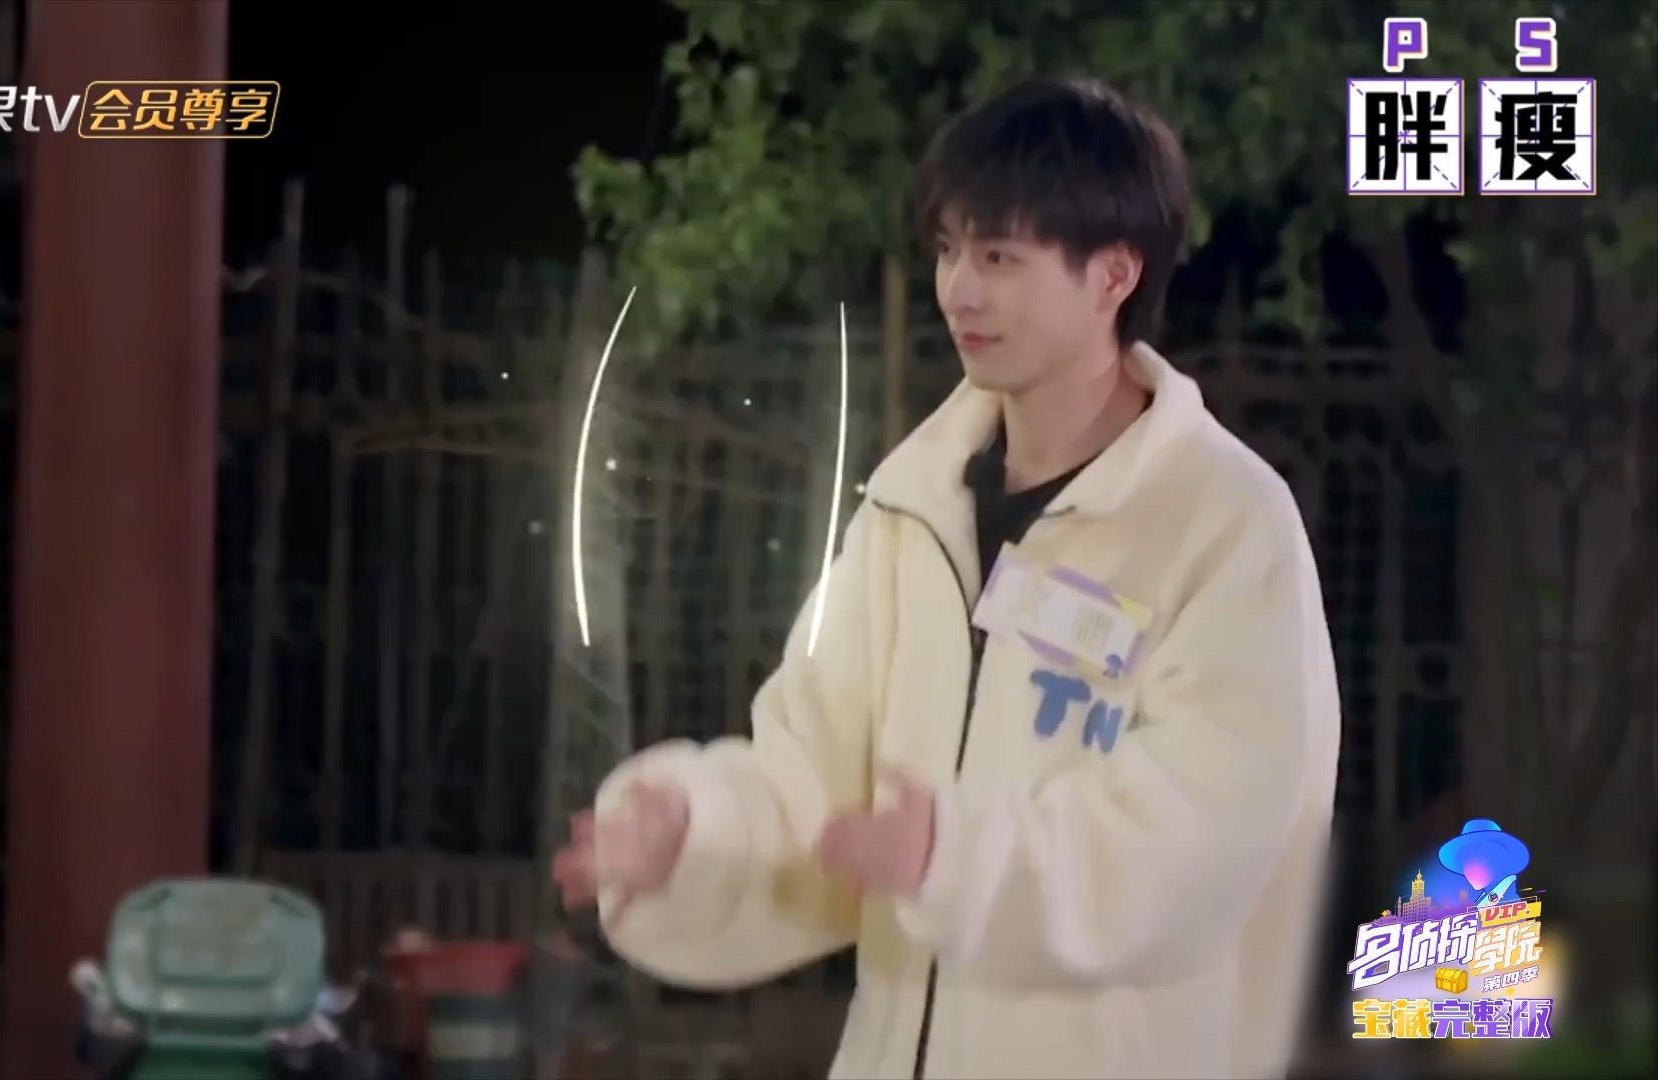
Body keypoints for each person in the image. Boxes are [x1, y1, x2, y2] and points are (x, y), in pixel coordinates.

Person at [551, 75, 1342, 1079]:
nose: (959, 289)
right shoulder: (913, 508)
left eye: (1000, 256)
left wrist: (955, 859)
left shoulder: (1223, 523)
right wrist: (695, 837)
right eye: (948, 249)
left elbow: (1203, 839)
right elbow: (815, 777)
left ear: (1113, 274)